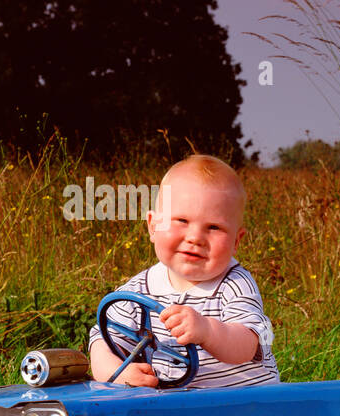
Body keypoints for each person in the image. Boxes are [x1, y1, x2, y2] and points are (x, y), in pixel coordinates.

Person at [88, 154, 279, 388]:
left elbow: (247, 345)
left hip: (243, 407)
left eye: (214, 227)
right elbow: (103, 340)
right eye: (181, 220)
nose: (195, 238)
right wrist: (114, 372)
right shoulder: (138, 289)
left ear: (236, 241)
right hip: (176, 411)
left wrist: (208, 330)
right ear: (153, 226)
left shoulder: (235, 284)